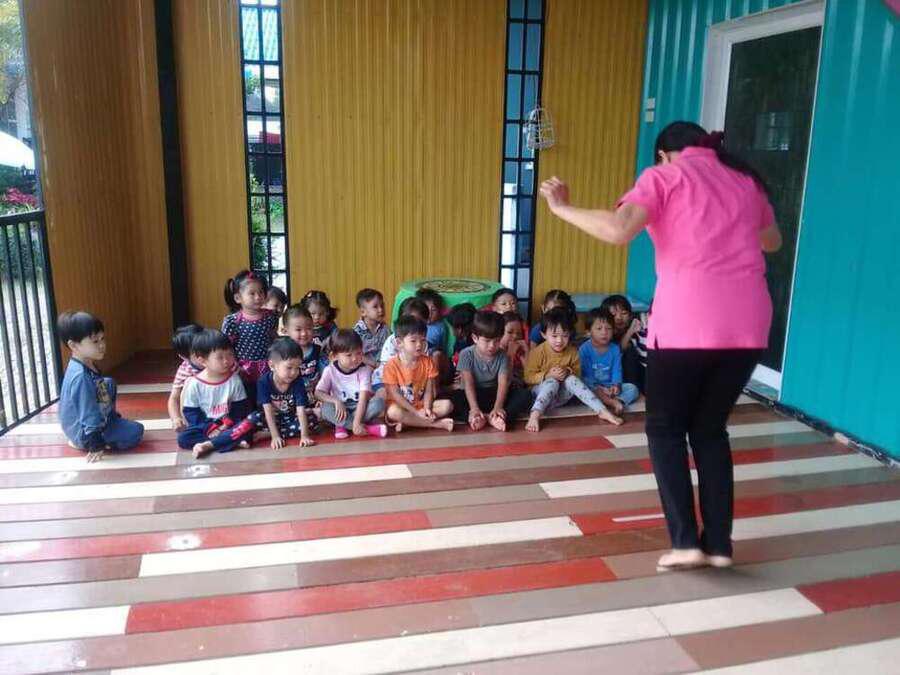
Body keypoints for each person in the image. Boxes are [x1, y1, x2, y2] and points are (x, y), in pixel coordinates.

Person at [539, 120, 781, 572]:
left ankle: (686, 542)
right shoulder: (744, 181)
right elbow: (772, 241)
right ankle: (719, 544)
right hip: (748, 326)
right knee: (709, 430)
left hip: (689, 322)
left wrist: (562, 207)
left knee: (666, 429)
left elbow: (618, 230)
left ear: (664, 154)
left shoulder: (664, 176)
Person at [57, 311, 144, 462]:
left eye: (102, 339)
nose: (102, 345)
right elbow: (88, 411)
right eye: (95, 341)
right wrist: (95, 443)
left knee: (108, 383)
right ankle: (98, 440)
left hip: (84, 422)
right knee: (136, 431)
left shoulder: (83, 363)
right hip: (83, 432)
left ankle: (109, 421)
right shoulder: (81, 376)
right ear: (73, 345)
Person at [523, 307, 623, 432]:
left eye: (564, 336)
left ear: (569, 334)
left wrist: (568, 372)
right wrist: (547, 375)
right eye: (554, 336)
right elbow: (528, 377)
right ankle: (535, 415)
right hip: (540, 395)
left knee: (571, 379)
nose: (559, 340)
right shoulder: (537, 352)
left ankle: (602, 411)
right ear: (544, 335)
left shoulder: (573, 351)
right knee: (552, 382)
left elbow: (578, 374)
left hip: (561, 397)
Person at [450, 310, 533, 431]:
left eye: (497, 340)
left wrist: (498, 407)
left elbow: (503, 383)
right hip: (473, 394)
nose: (492, 346)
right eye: (487, 341)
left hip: (495, 394)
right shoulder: (466, 354)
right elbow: (468, 384)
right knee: (453, 400)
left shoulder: (503, 356)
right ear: (475, 338)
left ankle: (498, 416)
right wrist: (474, 408)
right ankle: (478, 417)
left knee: (525, 395)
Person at [177, 329, 255, 459]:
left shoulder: (234, 380)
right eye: (220, 357)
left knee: (248, 427)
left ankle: (209, 445)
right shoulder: (195, 383)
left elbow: (240, 409)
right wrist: (210, 427)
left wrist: (224, 426)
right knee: (183, 438)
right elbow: (191, 413)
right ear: (203, 360)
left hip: (229, 424)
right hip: (205, 426)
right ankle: (230, 441)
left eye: (230, 354)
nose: (227, 361)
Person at [382, 316, 455, 432]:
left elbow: (429, 391)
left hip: (420, 405)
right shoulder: (391, 366)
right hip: (401, 406)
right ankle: (436, 424)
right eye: (413, 341)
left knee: (448, 406)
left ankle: (409, 423)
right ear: (399, 343)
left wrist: (427, 409)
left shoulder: (428, 362)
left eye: (423, 340)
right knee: (393, 412)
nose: (419, 345)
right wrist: (416, 412)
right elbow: (396, 395)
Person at [316, 329, 387, 439]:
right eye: (348, 355)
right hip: (340, 408)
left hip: (360, 407)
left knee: (378, 403)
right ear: (334, 356)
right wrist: (335, 401)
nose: (354, 359)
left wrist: (356, 422)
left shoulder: (365, 370)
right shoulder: (329, 370)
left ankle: (343, 425)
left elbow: (363, 399)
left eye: (358, 353)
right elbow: (318, 393)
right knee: (326, 409)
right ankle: (367, 429)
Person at [247, 337, 315, 449]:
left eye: (297, 368)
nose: (294, 372)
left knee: (312, 421)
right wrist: (275, 437)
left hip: (291, 417)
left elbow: (300, 410)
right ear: (272, 366)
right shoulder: (263, 382)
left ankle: (267, 434)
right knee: (252, 419)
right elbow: (268, 411)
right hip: (271, 418)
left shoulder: (298, 382)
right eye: (289, 368)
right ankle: (274, 433)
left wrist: (304, 436)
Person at [221, 269, 278, 397]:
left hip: (267, 365)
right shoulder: (232, 321)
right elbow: (226, 347)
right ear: (238, 298)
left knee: (266, 395)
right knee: (246, 395)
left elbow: (274, 337)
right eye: (252, 293)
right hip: (242, 368)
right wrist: (233, 364)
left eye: (261, 292)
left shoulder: (270, 316)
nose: (258, 297)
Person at [579, 308, 640, 415]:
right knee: (583, 388)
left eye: (608, 328)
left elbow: (617, 371)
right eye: (599, 328)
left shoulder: (615, 349)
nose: (604, 332)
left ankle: (616, 401)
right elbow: (587, 375)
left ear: (613, 330)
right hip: (594, 386)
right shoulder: (584, 349)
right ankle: (612, 403)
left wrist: (616, 386)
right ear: (588, 332)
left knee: (633, 389)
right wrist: (599, 388)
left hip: (610, 387)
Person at [281, 304, 322, 429]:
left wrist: (323, 397)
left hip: (314, 397)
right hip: (291, 400)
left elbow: (326, 376)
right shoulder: (283, 353)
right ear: (286, 331)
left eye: (309, 328)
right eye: (298, 330)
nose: (304, 333)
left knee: (322, 415)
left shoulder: (318, 350)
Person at [601, 294, 647, 394]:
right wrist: (630, 331)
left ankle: (636, 390)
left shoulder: (636, 326)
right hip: (609, 377)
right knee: (629, 351)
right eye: (613, 314)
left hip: (635, 374)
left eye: (624, 313)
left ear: (630, 315)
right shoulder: (603, 332)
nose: (619, 318)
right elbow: (618, 350)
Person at [168, 323, 204, 432]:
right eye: (198, 355)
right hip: (198, 409)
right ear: (184, 357)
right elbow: (174, 398)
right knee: (189, 382)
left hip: (221, 407)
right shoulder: (186, 370)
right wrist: (176, 418)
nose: (205, 356)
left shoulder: (219, 360)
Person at [353, 288, 389, 369]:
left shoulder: (385, 328)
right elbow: (357, 355)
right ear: (363, 312)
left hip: (383, 367)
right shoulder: (356, 332)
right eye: (375, 307)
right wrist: (375, 365)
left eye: (382, 305)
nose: (381, 310)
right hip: (364, 368)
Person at [300, 290, 338, 356]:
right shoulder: (302, 327)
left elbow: (337, 337)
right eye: (312, 313)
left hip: (325, 356)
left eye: (321, 314)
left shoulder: (330, 326)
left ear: (327, 313)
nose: (317, 317)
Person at [415, 287, 448, 356]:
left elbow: (441, 349)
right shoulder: (414, 323)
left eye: (434, 310)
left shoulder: (440, 327)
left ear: (439, 311)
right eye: (426, 309)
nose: (429, 313)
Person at [500, 310, 529, 387]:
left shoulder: (519, 349)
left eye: (518, 333)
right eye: (510, 332)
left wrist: (526, 352)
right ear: (499, 332)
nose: (515, 336)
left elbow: (529, 374)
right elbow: (505, 380)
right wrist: (511, 354)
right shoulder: (494, 350)